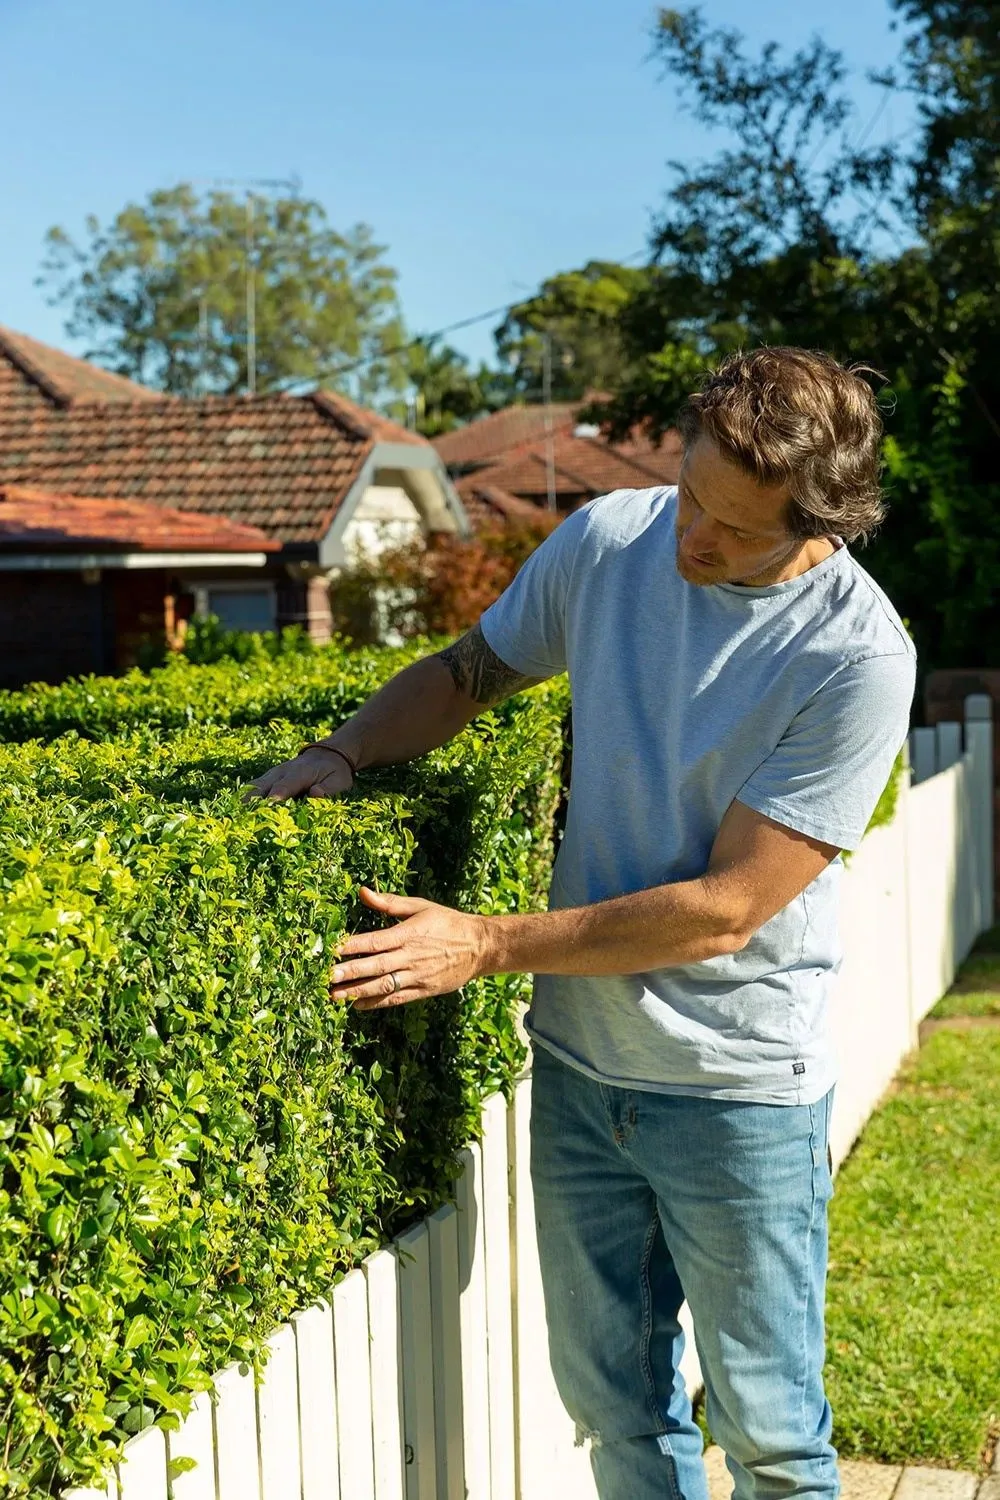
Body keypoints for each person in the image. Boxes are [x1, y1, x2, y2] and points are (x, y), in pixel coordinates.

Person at [249, 347, 916, 1500]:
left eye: (731, 528)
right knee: (617, 1417)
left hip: (736, 1091)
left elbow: (725, 910)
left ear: (824, 526)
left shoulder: (855, 656)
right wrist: (342, 749)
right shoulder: (614, 539)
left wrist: (486, 942)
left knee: (771, 1440)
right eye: (690, 494)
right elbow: (466, 674)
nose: (689, 539)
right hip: (579, 1069)